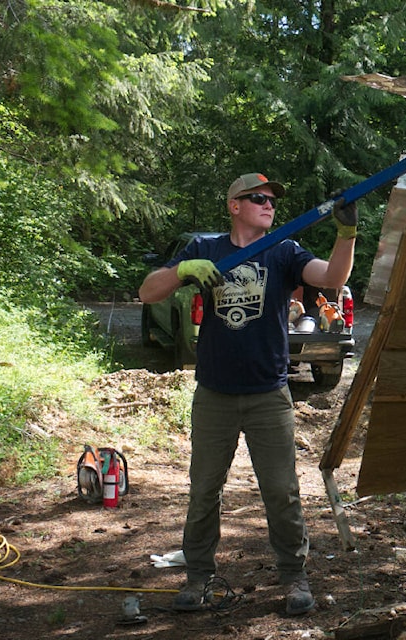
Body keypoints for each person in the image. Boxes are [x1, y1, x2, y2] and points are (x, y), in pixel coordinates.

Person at [138, 172, 357, 616]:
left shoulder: (283, 251)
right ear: (234, 206)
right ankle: (198, 579)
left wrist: (347, 232)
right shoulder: (205, 250)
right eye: (258, 198)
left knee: (282, 491)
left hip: (269, 394)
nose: (269, 204)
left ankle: (294, 578)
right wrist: (180, 270)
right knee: (204, 491)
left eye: (272, 199)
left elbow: (332, 277)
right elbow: (147, 293)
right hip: (215, 394)